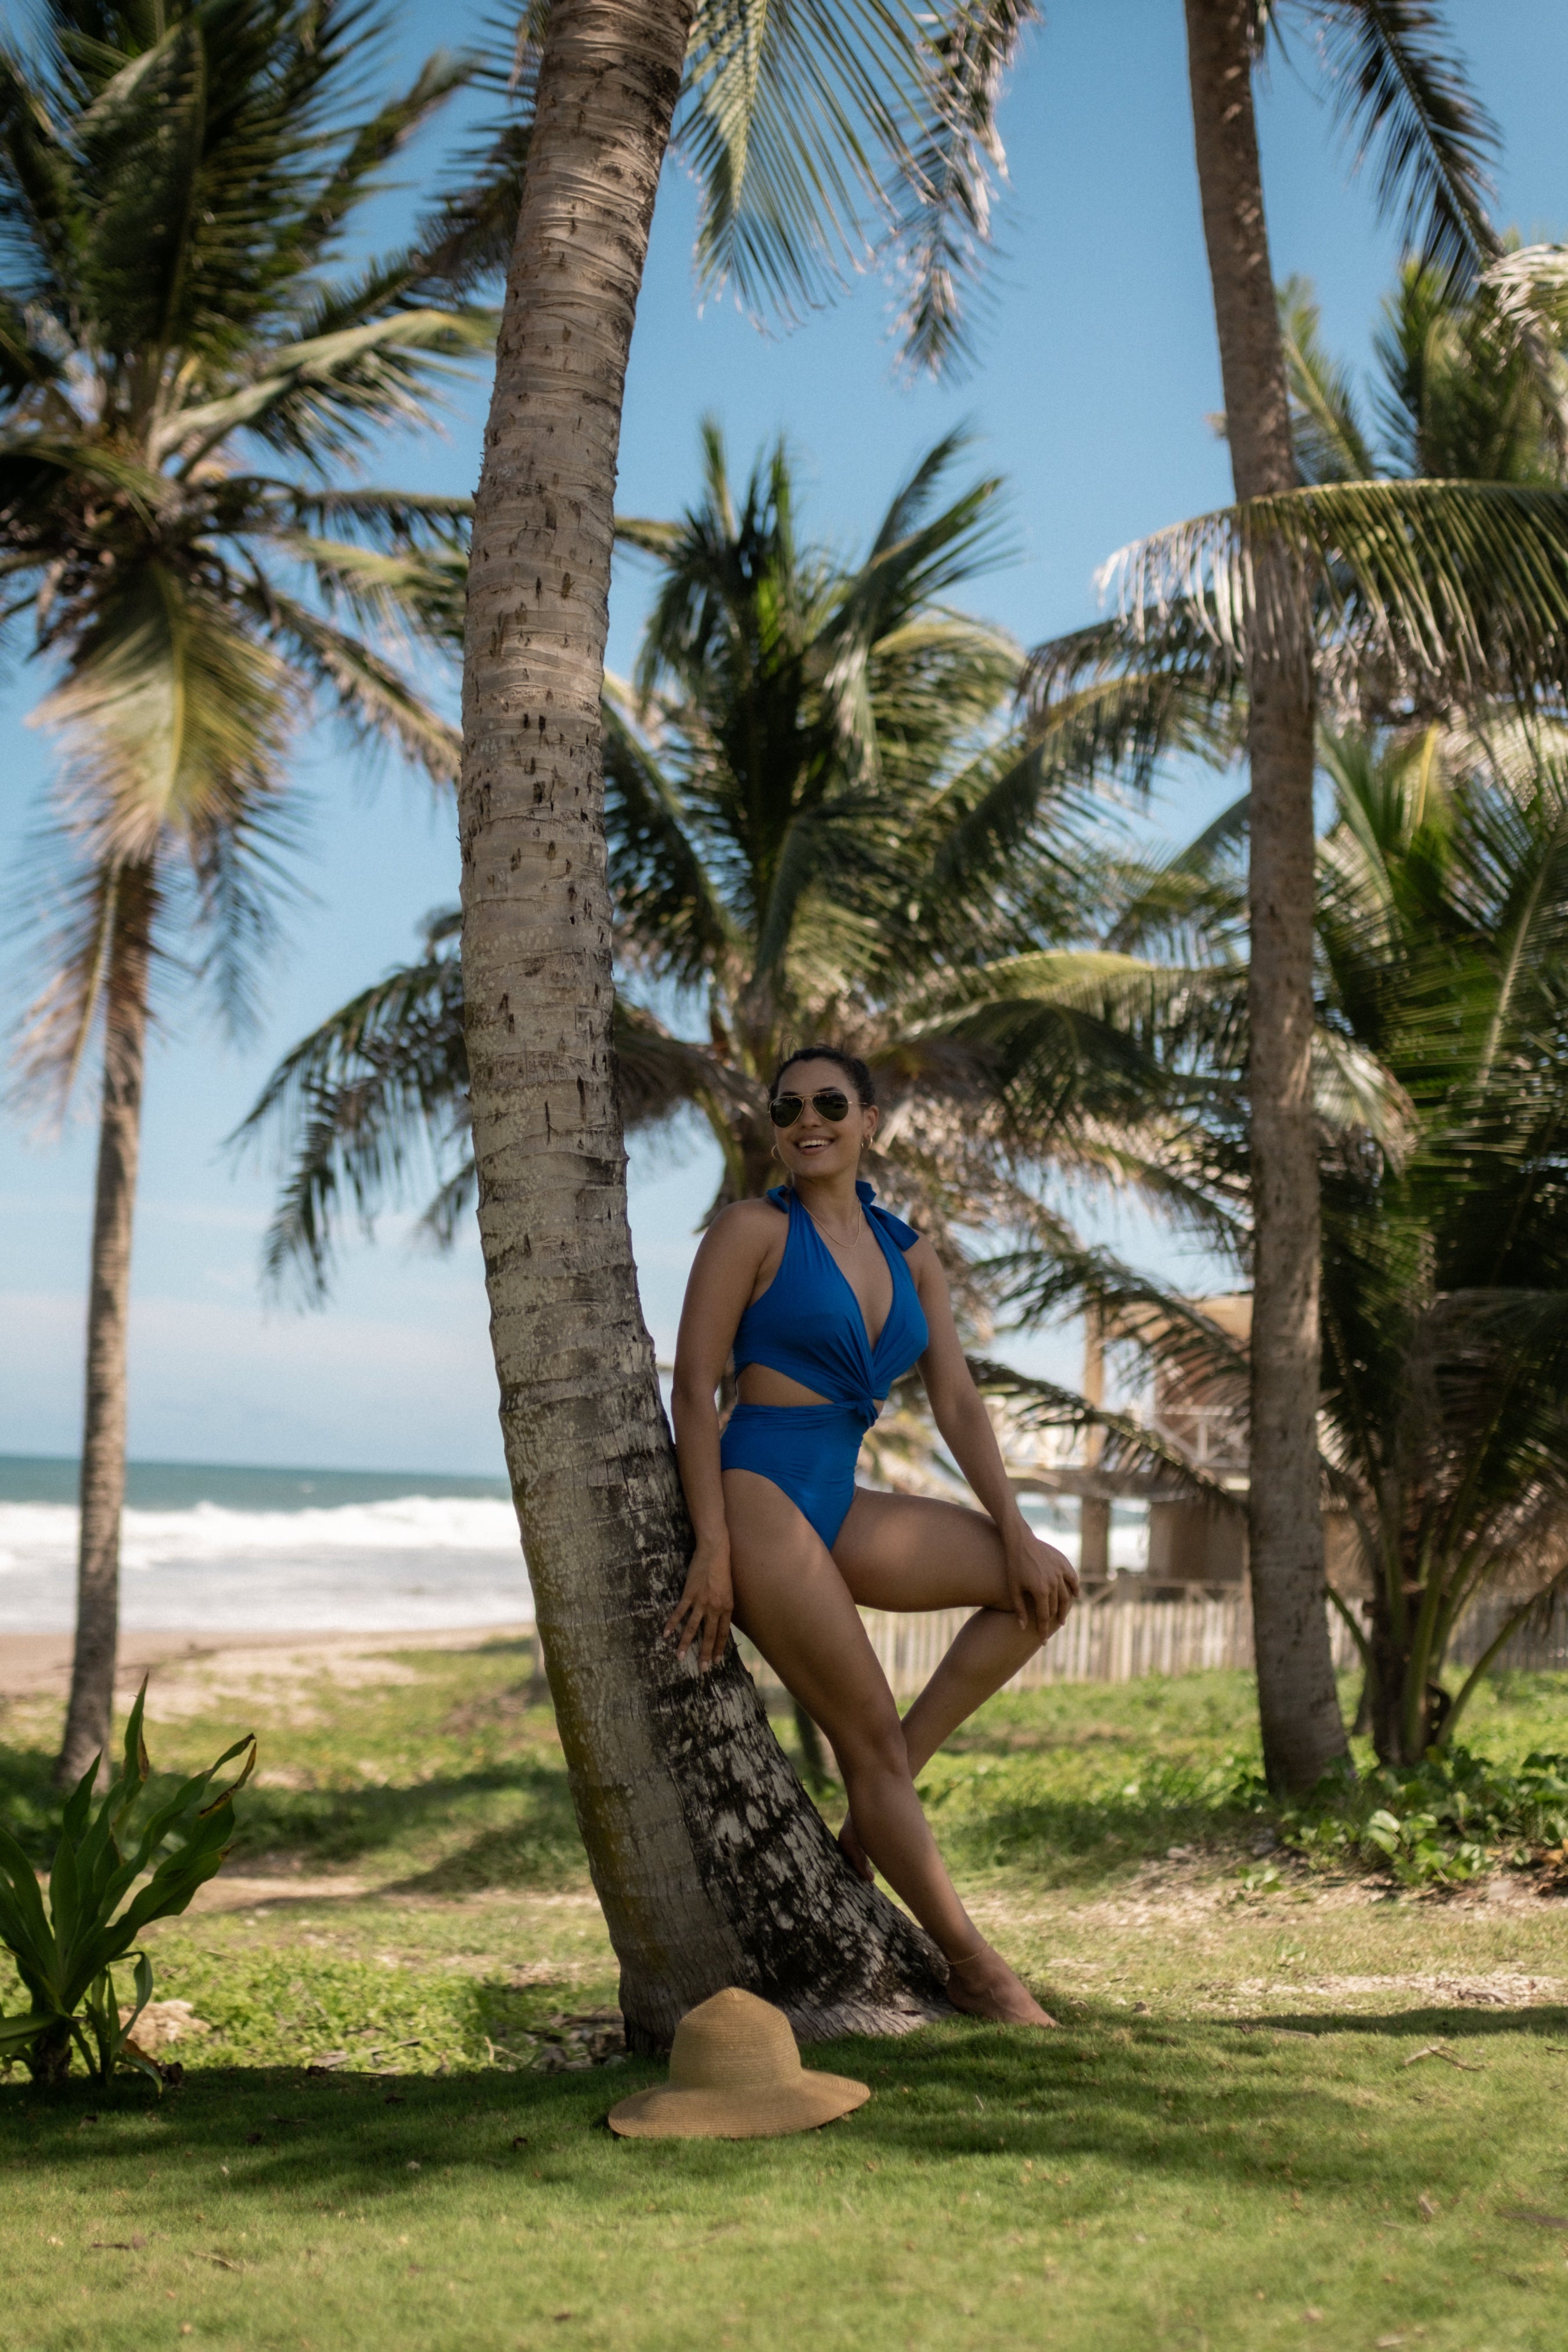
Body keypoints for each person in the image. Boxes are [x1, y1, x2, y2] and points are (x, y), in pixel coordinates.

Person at [667, 1045, 1078, 2027]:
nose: (809, 1119)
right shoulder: (751, 1230)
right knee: (871, 1742)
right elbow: (690, 1386)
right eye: (789, 1106)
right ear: (776, 1126)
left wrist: (1015, 1528)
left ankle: (875, 1806)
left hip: (840, 1498)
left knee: (1045, 1587)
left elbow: (958, 1402)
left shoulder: (911, 1254)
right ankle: (975, 1966)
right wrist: (712, 1543)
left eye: (830, 1103)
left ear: (869, 1120)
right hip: (761, 1487)